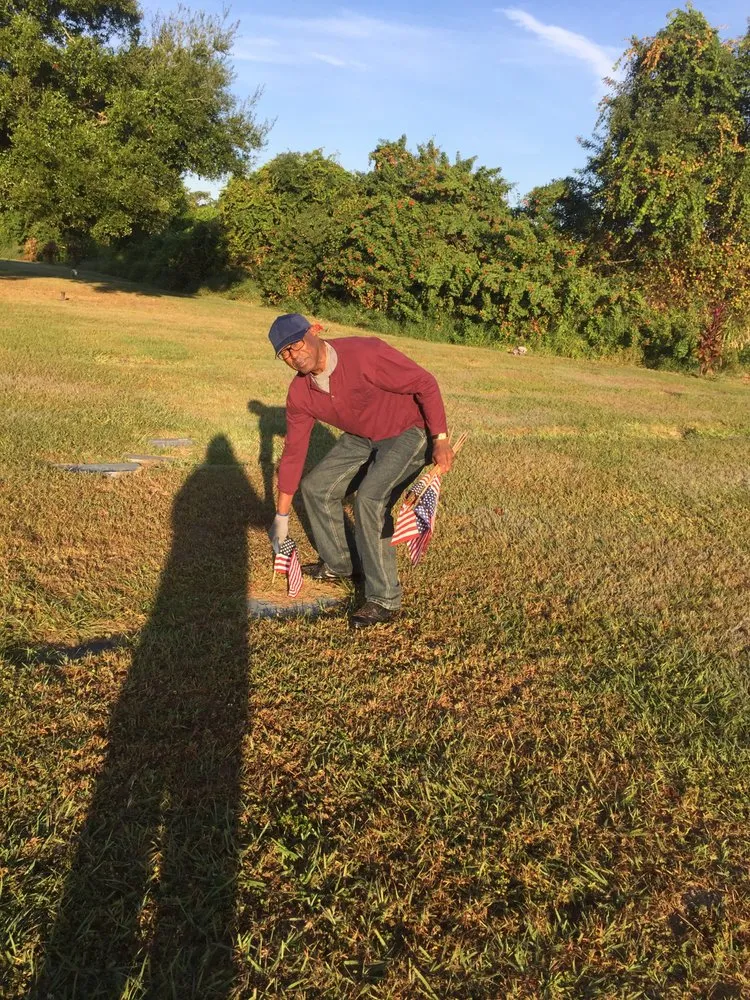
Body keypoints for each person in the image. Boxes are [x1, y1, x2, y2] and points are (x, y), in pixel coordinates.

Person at [267, 313, 454, 628]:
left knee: (370, 498)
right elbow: (293, 453)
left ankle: (384, 600)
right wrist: (281, 520)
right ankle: (341, 564)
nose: (294, 355)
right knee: (317, 488)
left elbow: (425, 382)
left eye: (296, 343)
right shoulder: (300, 393)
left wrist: (441, 440)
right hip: (360, 438)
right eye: (284, 352)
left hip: (406, 431)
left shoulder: (365, 354)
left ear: (314, 331)